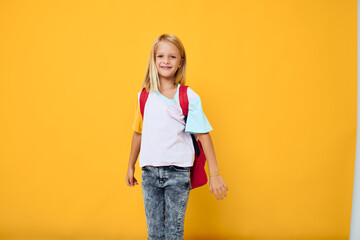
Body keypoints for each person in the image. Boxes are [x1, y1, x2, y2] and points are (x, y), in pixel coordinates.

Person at [126, 33, 229, 240]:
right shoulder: (143, 96)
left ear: (181, 61)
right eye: (160, 56)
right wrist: (130, 165)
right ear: (153, 60)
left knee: (173, 233)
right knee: (154, 234)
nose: (166, 61)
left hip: (178, 174)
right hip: (149, 173)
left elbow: (203, 134)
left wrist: (215, 173)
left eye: (172, 57)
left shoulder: (188, 96)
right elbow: (138, 132)